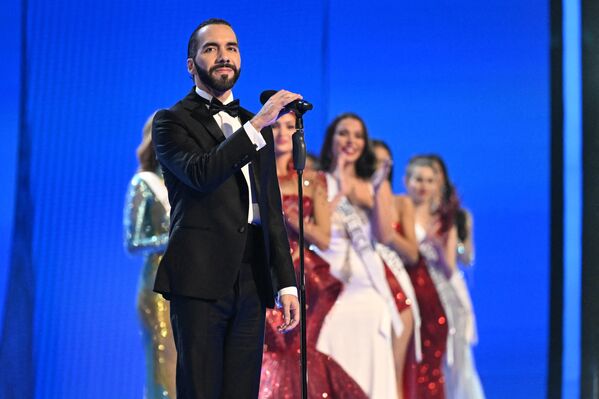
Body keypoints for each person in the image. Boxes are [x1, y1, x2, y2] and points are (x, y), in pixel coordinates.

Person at [151, 18, 300, 399]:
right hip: (199, 279)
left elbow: (269, 207)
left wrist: (286, 282)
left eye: (231, 48)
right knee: (200, 389)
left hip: (250, 277)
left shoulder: (254, 124)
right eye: (211, 48)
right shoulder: (170, 122)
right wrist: (261, 123)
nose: (223, 57)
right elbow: (202, 174)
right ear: (191, 65)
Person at [259, 112, 367, 399]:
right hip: (266, 272)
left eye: (290, 127)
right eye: (276, 126)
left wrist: (295, 221)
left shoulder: (312, 180)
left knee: (299, 350)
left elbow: (324, 236)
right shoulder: (257, 174)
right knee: (271, 350)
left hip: (305, 275)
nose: (282, 133)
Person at [315, 113, 408, 399]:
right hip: (329, 287)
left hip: (367, 288)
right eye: (344, 133)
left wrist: (378, 187)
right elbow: (319, 233)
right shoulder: (315, 180)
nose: (350, 141)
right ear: (332, 139)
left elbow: (383, 235)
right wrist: (339, 188)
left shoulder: (374, 184)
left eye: (357, 136)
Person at [124, 113, 176, 399]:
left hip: (188, 281)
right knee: (163, 364)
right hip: (157, 285)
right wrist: (175, 238)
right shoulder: (144, 183)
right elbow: (132, 242)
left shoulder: (187, 183)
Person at [424, 155, 484, 399]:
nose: (431, 181)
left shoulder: (457, 217)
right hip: (421, 286)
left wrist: (448, 244)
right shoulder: (412, 209)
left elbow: (467, 258)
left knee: (455, 358)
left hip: (448, 287)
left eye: (436, 175)